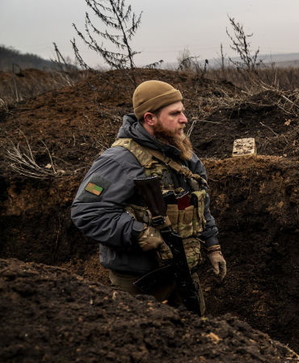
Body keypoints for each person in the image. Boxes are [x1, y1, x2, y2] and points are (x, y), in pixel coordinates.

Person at [71, 80, 226, 314]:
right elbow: (87, 211)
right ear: (150, 118)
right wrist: (138, 233)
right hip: (138, 283)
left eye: (182, 111)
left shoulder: (186, 158)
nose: (184, 119)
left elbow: (199, 205)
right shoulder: (117, 160)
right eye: (175, 113)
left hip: (183, 272)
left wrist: (213, 247)